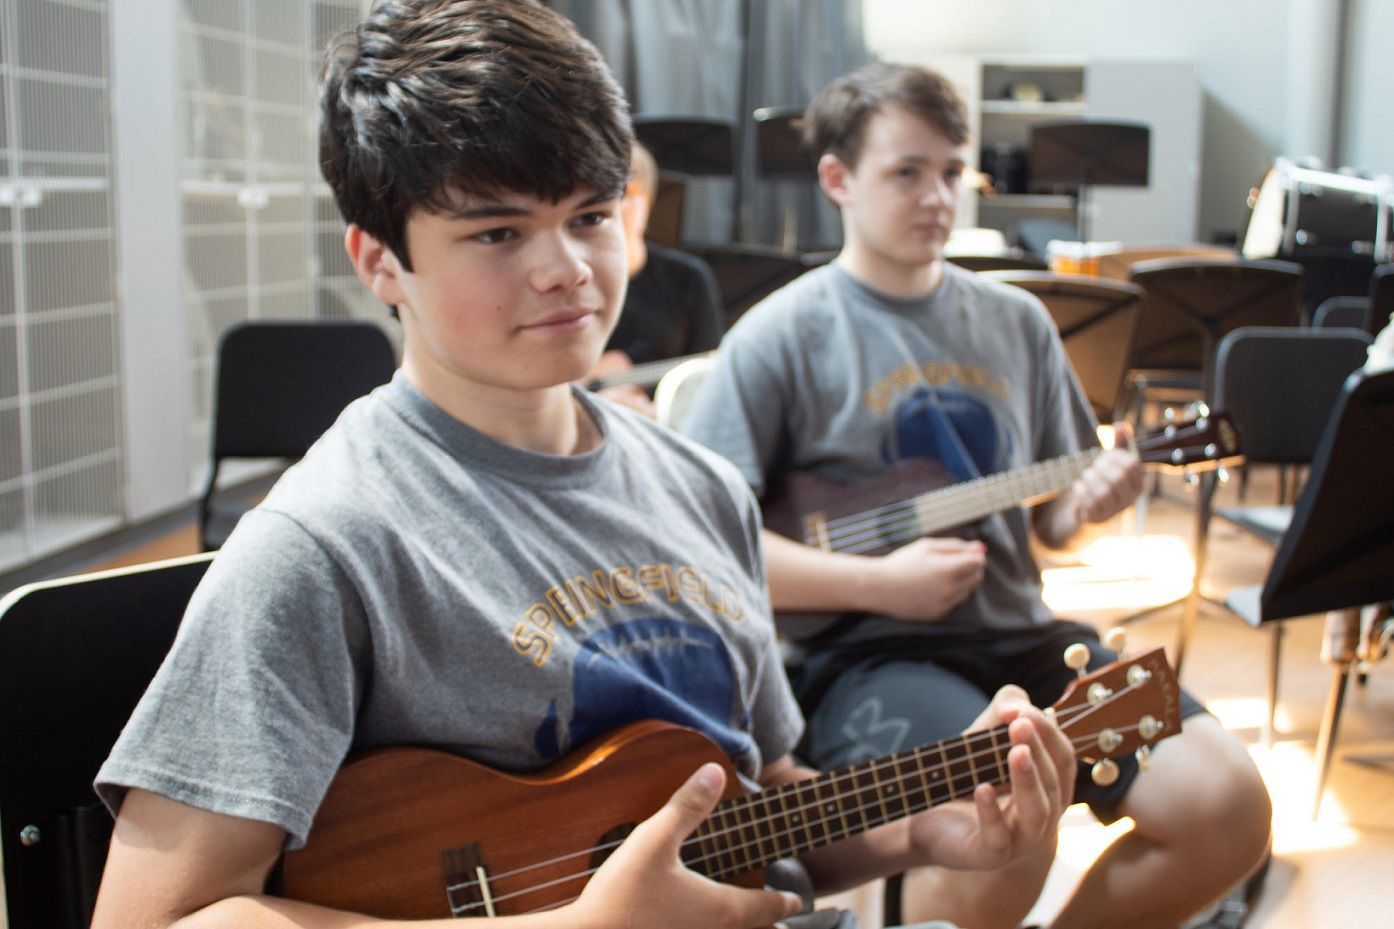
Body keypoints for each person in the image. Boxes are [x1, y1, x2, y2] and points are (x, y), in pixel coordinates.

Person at [88, 6, 1077, 928]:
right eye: (496, 231)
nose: (564, 267)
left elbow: (754, 802)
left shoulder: (701, 488)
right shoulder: (325, 544)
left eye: (591, 215)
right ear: (379, 261)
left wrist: (923, 829)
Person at [679, 61, 1273, 929]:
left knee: (1228, 806)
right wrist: (881, 585)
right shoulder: (778, 336)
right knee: (1003, 825)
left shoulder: (1018, 322)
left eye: (953, 171)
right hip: (864, 660)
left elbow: (1057, 527)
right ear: (837, 180)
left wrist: (1091, 504)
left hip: (1027, 642)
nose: (937, 196)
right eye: (907, 172)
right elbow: (709, 553)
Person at [591, 142, 725, 416]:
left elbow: (708, 376)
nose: (616, 207)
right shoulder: (573, 279)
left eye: (627, 193)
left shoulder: (688, 278)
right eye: (602, 196)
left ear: (649, 199)